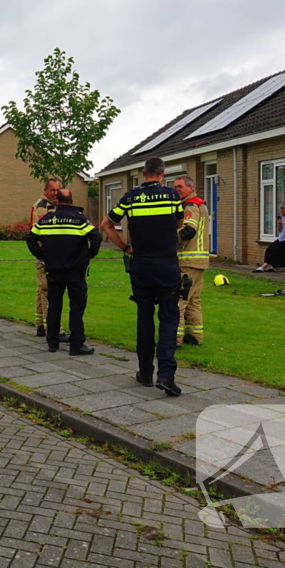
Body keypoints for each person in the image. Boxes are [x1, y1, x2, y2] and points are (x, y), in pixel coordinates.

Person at [100, 157, 184, 397]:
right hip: (167, 264)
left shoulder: (130, 198)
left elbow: (106, 224)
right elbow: (178, 222)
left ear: (142, 173)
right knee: (169, 319)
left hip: (141, 264)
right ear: (163, 174)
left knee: (144, 317)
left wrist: (125, 247)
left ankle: (145, 373)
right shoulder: (171, 196)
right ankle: (166, 375)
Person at [26, 189, 102, 355]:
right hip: (75, 271)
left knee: (54, 306)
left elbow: (30, 238)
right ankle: (76, 345)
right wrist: (89, 255)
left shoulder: (46, 220)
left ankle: (52, 343)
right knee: (76, 307)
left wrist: (42, 256)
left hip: (53, 270)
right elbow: (96, 237)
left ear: (57, 201)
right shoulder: (80, 220)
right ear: (71, 200)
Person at [173, 175, 210, 346]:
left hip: (188, 260)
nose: (177, 189)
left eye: (180, 186)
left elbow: (189, 230)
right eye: (175, 187)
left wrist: (167, 240)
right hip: (199, 261)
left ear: (191, 188)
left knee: (178, 300)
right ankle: (195, 336)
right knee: (193, 299)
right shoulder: (199, 204)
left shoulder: (191, 205)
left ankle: (174, 339)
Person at [30, 179, 63, 338]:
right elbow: (40, 232)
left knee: (40, 289)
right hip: (45, 254)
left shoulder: (54, 205)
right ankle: (54, 328)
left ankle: (40, 325)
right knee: (47, 290)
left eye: (58, 190)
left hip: (51, 253)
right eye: (52, 190)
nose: (55, 193)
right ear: (45, 190)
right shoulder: (42, 207)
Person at [254, 204, 285, 272]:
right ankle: (273, 266)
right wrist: (279, 223)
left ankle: (263, 267)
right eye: (281, 211)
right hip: (281, 237)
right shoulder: (283, 217)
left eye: (283, 212)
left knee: (275, 250)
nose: (282, 213)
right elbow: (280, 230)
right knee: (270, 249)